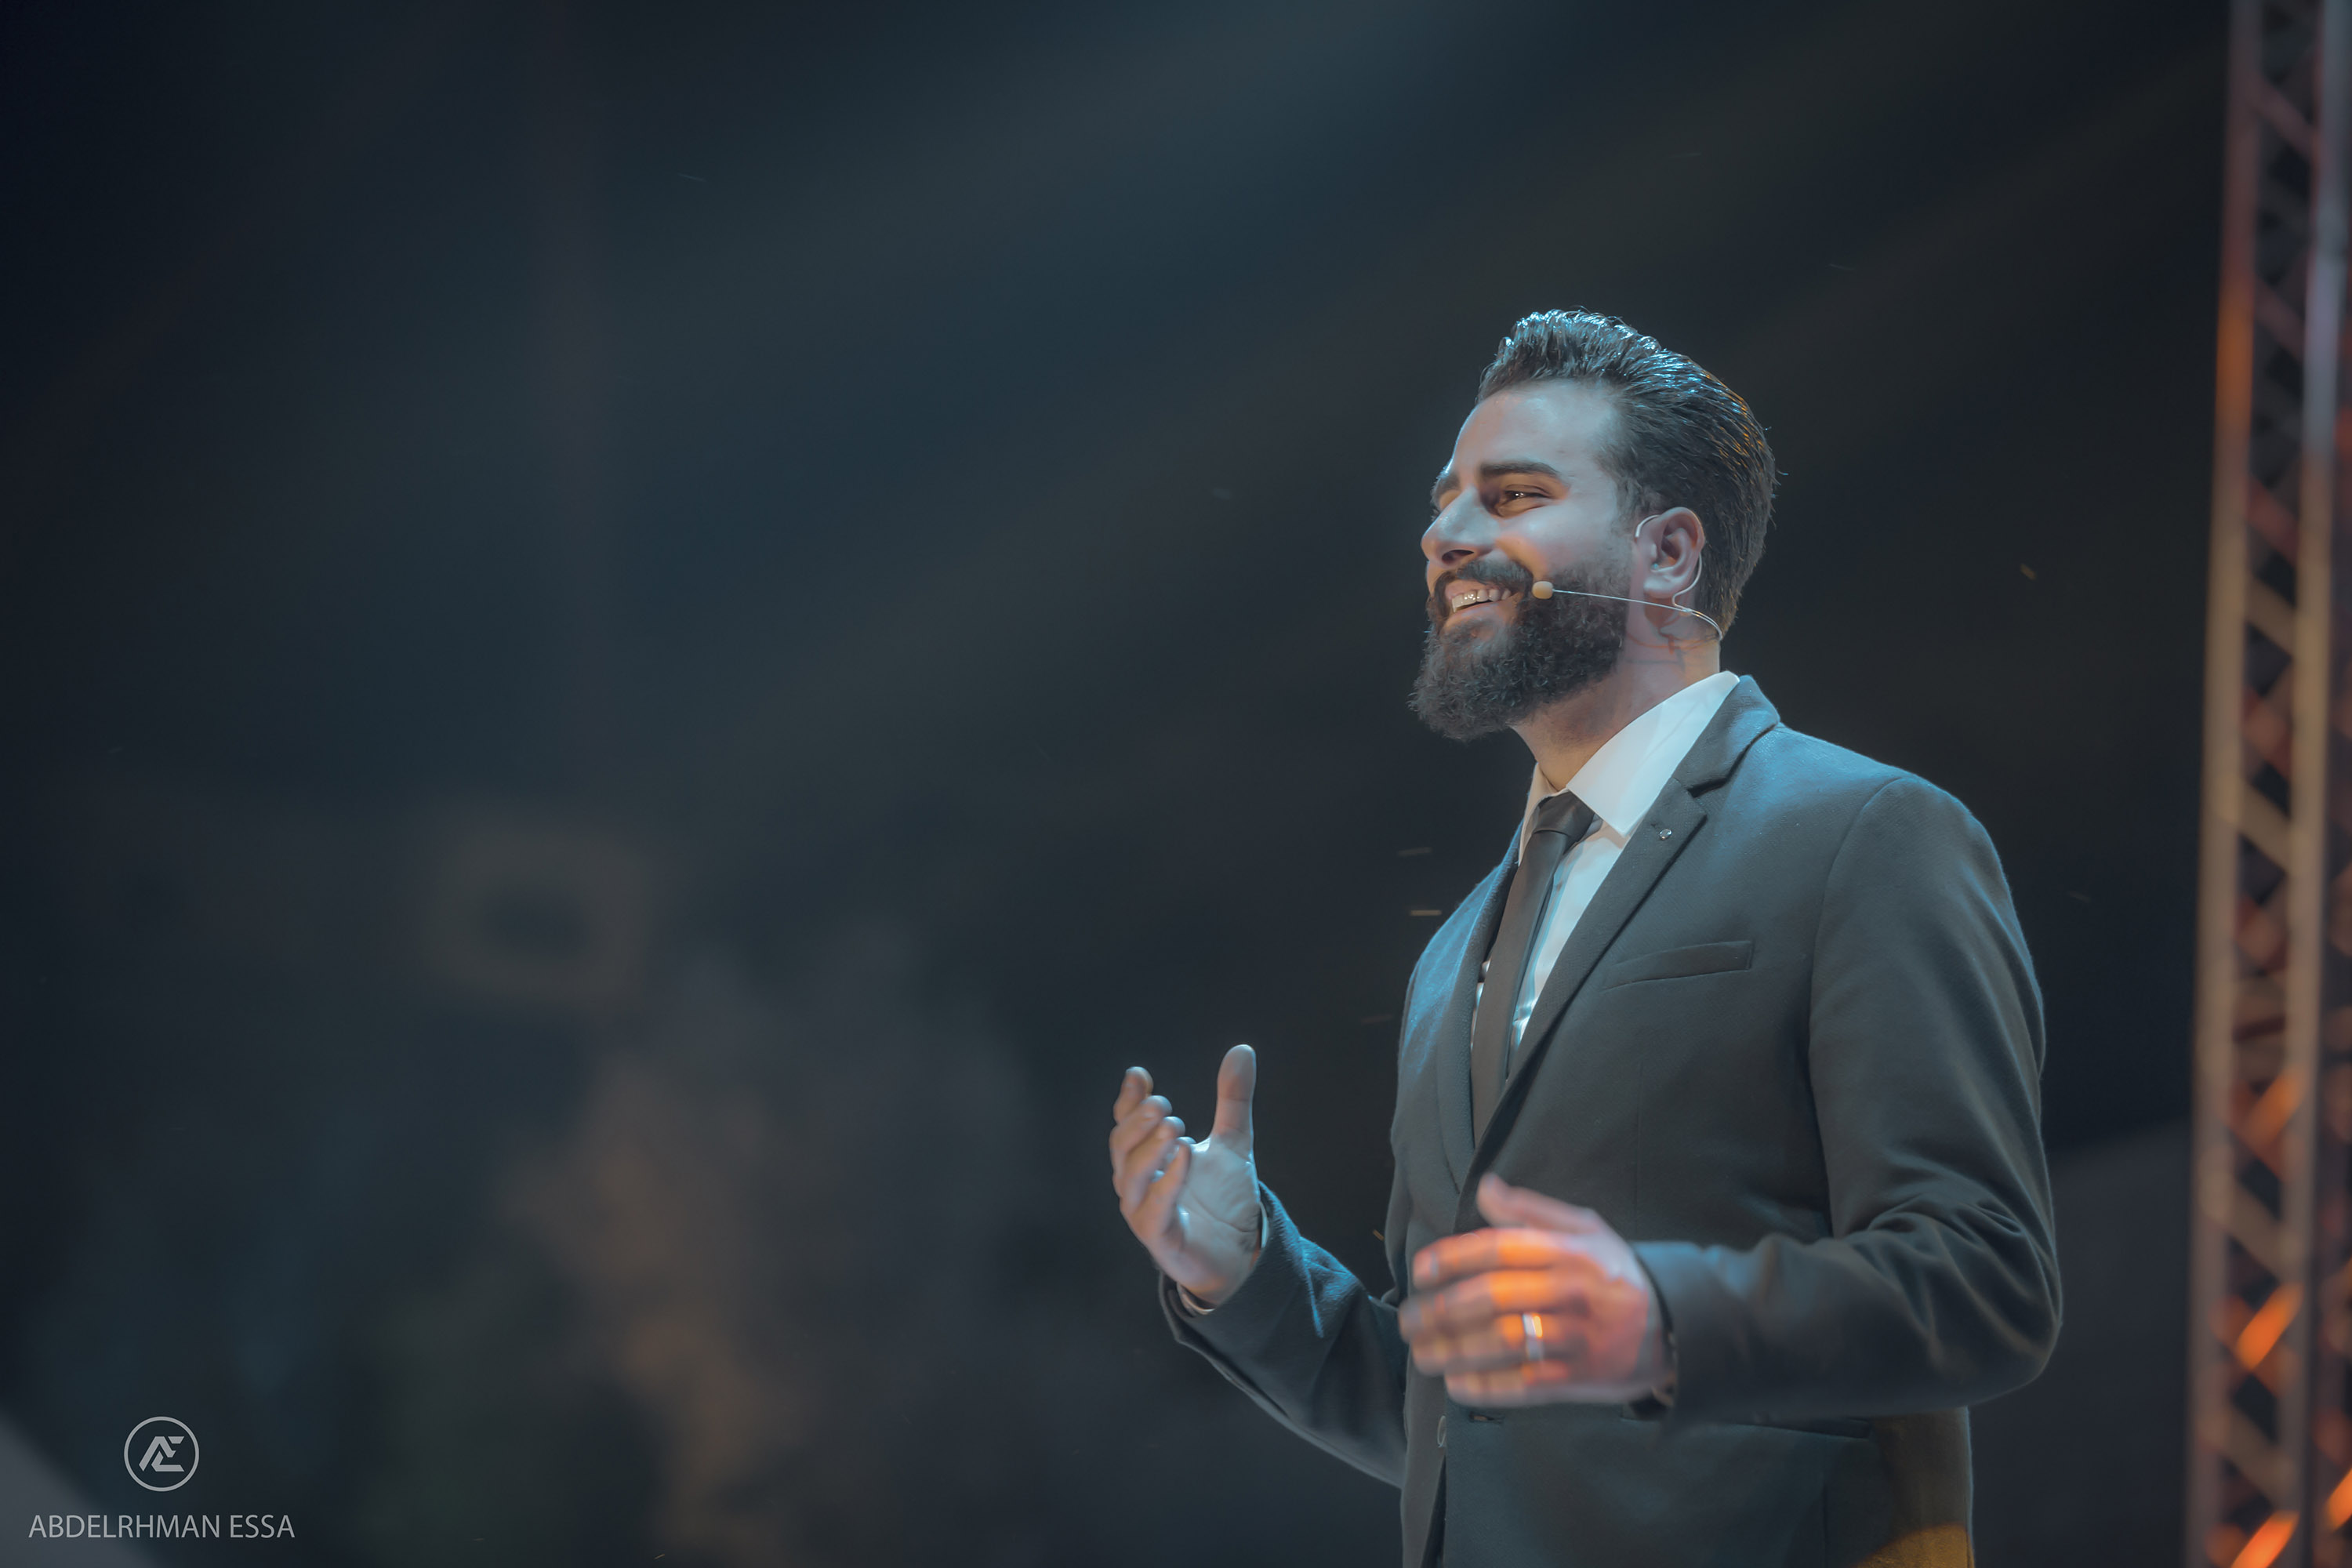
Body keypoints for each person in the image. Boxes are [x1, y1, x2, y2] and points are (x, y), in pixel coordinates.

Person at [1105, 310, 2059, 1568]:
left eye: (1513, 496)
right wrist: (1248, 1281)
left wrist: (1661, 1317)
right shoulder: (1451, 956)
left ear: (1666, 553)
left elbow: (1987, 1280)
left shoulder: (1864, 835)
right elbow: (1462, 1426)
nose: (1446, 536)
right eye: (1446, 503)